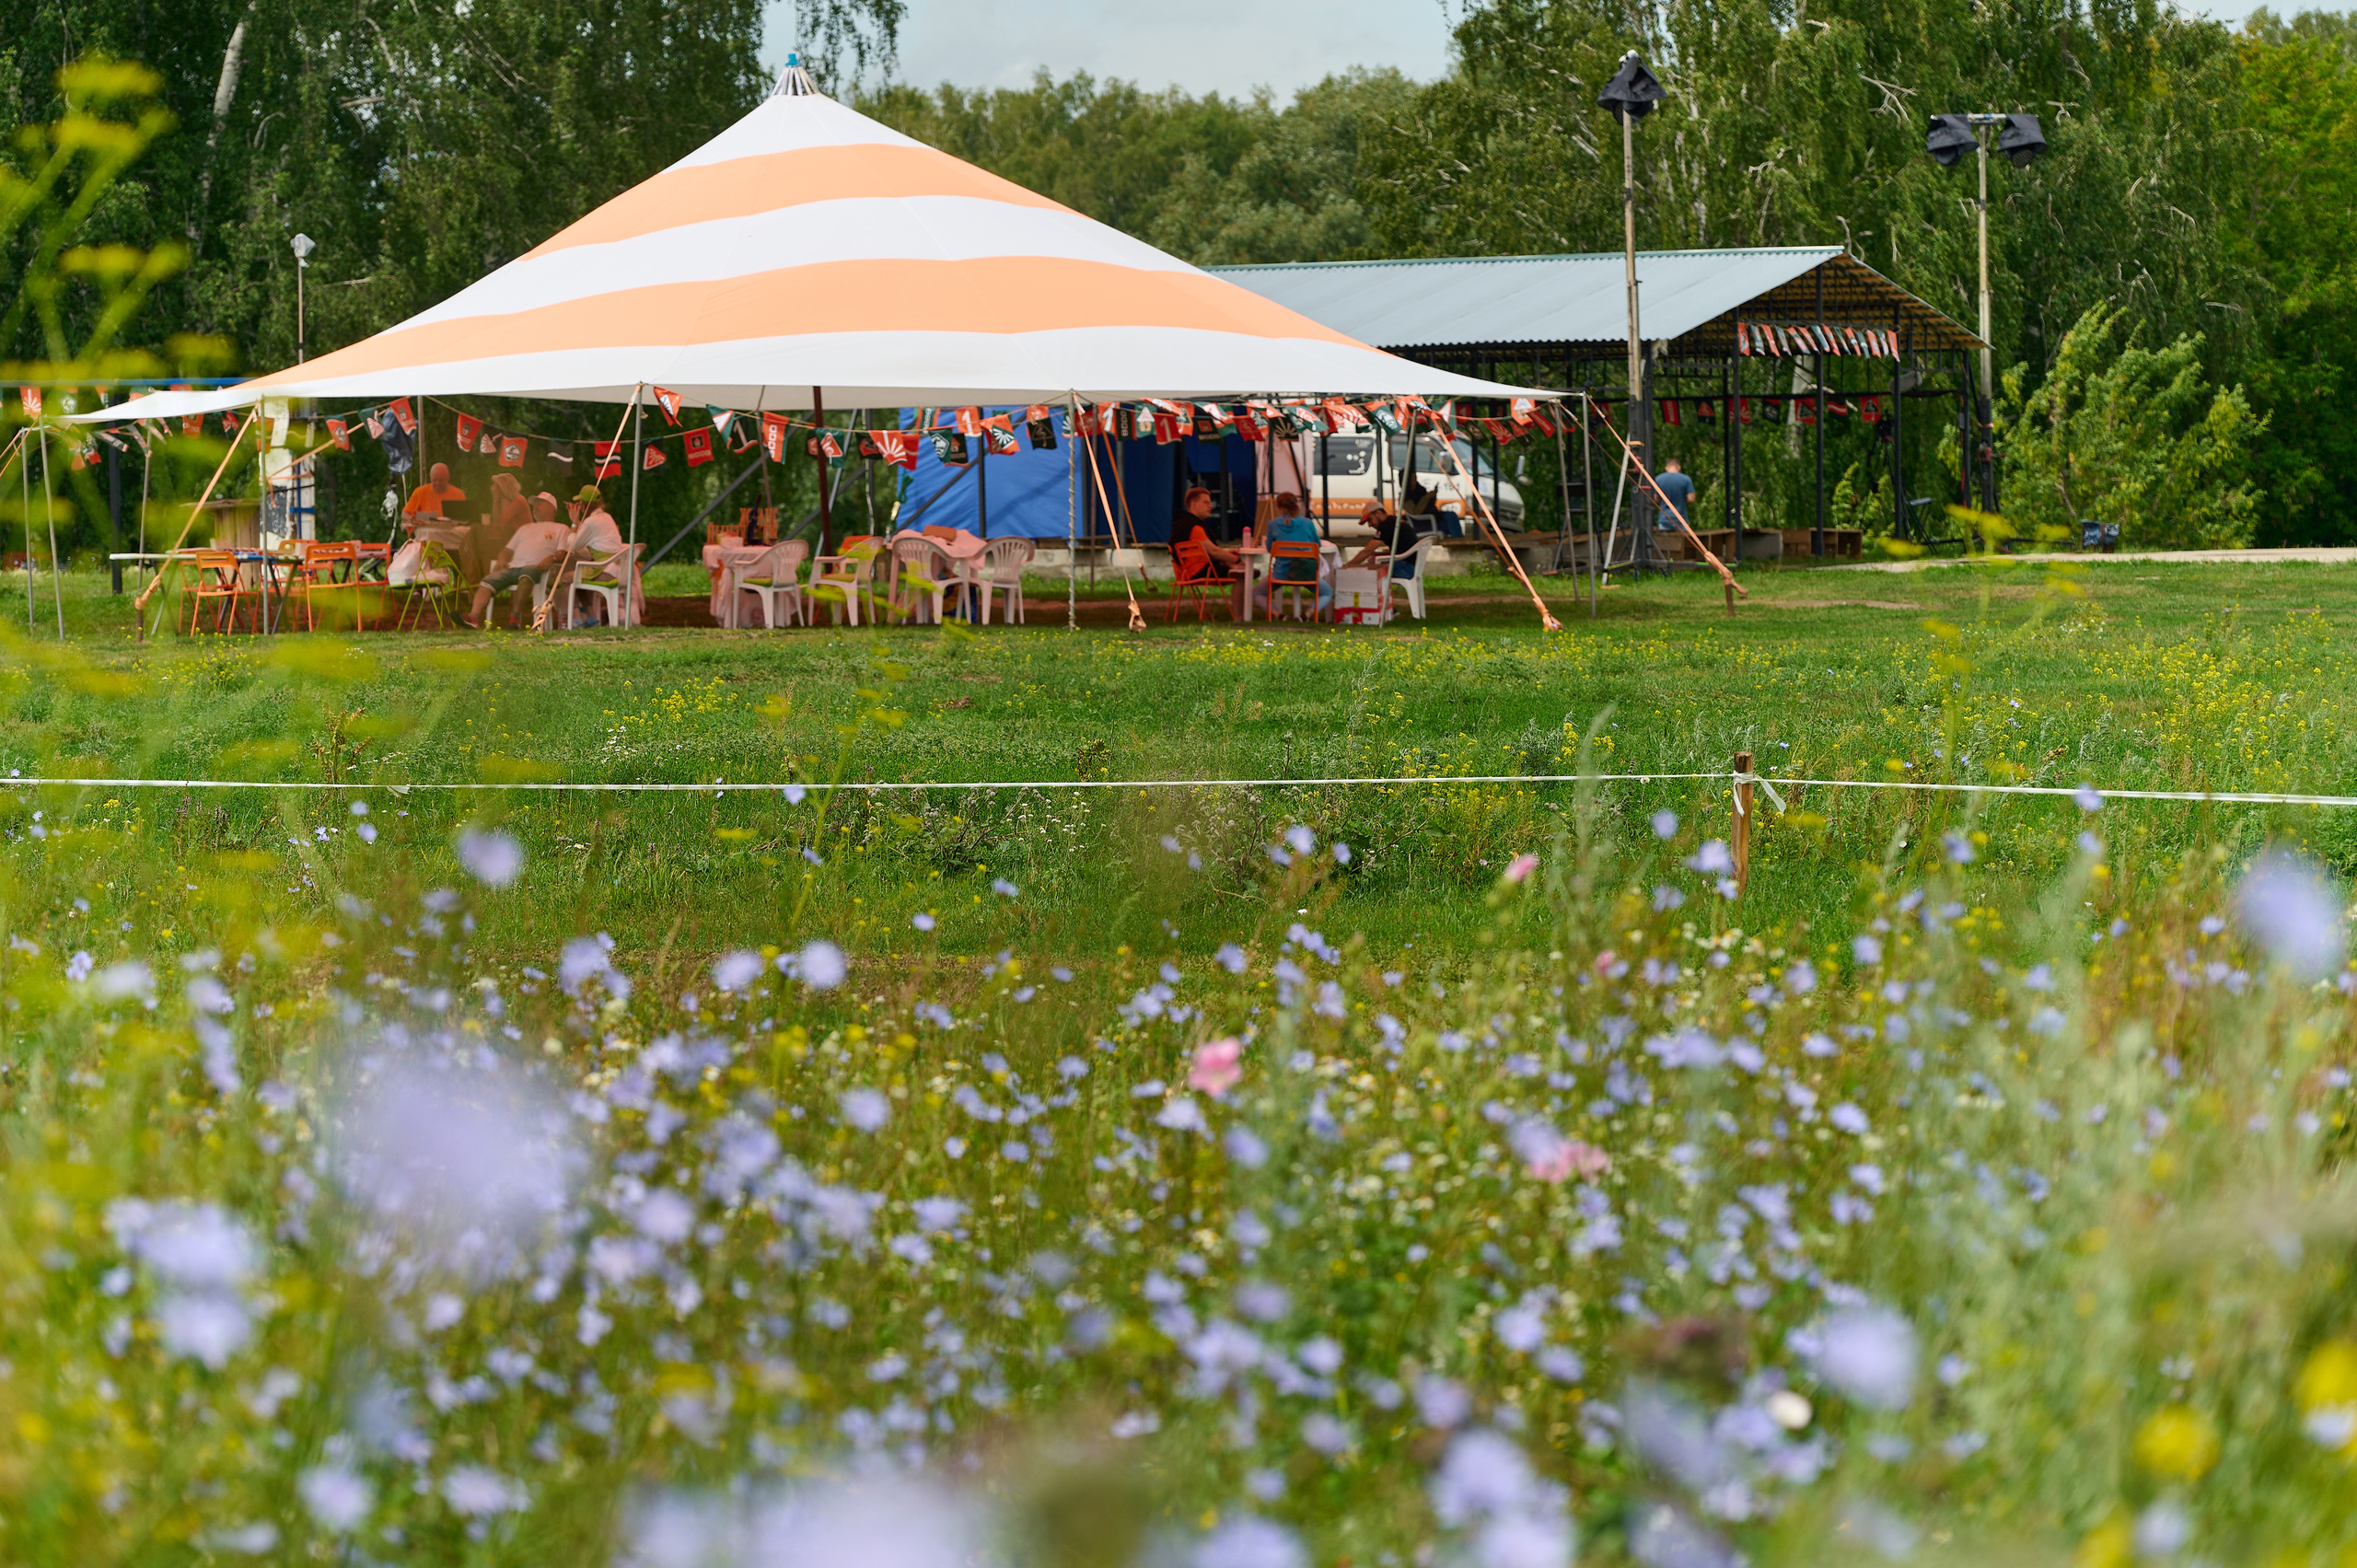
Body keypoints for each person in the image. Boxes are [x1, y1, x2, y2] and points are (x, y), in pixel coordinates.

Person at [464, 493, 573, 629]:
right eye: (535, 504)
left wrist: (553, 558)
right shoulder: (525, 528)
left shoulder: (561, 528)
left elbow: (562, 554)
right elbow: (506, 550)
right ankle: (473, 617)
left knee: (526, 575)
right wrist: (502, 559)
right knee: (487, 581)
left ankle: (515, 617)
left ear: (552, 509)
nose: (535, 507)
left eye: (540, 503)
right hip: (512, 568)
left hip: (537, 568)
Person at [1172, 485, 1247, 617]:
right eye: (1206, 502)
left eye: (1210, 503)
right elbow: (1213, 552)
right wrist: (1236, 560)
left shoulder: (1180, 524)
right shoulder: (1194, 527)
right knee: (1242, 573)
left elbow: (1210, 550)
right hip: (1200, 572)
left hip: (1183, 573)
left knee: (1240, 570)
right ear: (1193, 504)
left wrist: (1226, 554)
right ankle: (1240, 617)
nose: (1210, 506)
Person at [1262, 491, 1329, 616]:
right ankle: (1307, 614)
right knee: (1327, 593)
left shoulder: (1273, 524)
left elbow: (1270, 548)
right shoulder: (1308, 523)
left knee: (1257, 592)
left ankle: (1278, 615)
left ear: (1278, 507)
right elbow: (1317, 544)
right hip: (1305, 573)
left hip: (1281, 574)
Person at [1652, 457, 1697, 533]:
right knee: (1682, 540)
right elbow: (1691, 499)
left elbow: (1655, 499)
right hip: (1681, 519)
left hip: (1664, 518)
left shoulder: (1658, 479)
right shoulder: (1686, 479)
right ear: (1679, 467)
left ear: (1666, 468)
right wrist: (1682, 497)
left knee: (1664, 540)